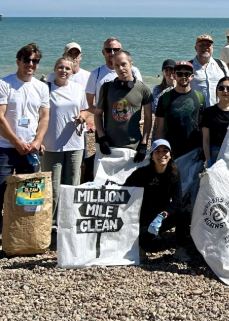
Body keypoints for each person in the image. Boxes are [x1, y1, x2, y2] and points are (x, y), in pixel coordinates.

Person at [0, 44, 50, 228]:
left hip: (30, 149)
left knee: (28, 196)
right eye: (27, 60)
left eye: (35, 61)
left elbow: (44, 117)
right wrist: (16, 141)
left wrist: (37, 141)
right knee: (2, 192)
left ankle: (23, 233)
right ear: (18, 61)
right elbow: (0, 117)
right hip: (5, 148)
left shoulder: (42, 88)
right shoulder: (4, 84)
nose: (31, 64)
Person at [124, 139, 190, 262]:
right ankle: (140, 246)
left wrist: (163, 214)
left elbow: (177, 199)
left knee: (183, 213)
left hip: (161, 218)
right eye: (157, 151)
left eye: (165, 151)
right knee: (154, 245)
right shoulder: (142, 173)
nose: (161, 155)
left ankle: (180, 249)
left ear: (170, 155)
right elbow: (124, 189)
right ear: (152, 155)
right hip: (145, 220)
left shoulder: (174, 173)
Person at [41, 57, 88, 218]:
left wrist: (82, 116)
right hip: (51, 144)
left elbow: (85, 110)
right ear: (54, 69)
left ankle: (68, 220)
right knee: (53, 186)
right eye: (60, 67)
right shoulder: (45, 88)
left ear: (73, 70)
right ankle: (51, 222)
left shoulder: (78, 88)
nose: (64, 71)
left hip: (75, 143)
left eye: (67, 68)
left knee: (72, 184)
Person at [94, 50, 152, 163]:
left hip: (134, 147)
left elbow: (149, 118)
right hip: (109, 147)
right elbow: (97, 115)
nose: (120, 68)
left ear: (131, 64)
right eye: (117, 65)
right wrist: (102, 138)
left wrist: (144, 143)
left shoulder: (144, 89)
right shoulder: (106, 88)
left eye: (123, 64)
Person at [155, 61, 204, 159]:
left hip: (194, 151)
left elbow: (202, 126)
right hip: (172, 151)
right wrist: (161, 149)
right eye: (180, 74)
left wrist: (203, 150)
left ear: (192, 76)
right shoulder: (165, 98)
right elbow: (159, 128)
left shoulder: (199, 97)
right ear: (174, 76)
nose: (183, 76)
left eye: (187, 74)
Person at [85, 38, 143, 113]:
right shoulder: (95, 74)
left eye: (116, 50)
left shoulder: (133, 71)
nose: (112, 53)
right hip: (105, 121)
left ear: (121, 51)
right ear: (103, 52)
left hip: (128, 119)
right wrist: (105, 115)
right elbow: (89, 104)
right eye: (108, 50)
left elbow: (140, 96)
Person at [200, 76, 229, 167]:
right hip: (215, 155)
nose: (225, 91)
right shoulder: (208, 112)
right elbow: (206, 140)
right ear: (217, 91)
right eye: (221, 88)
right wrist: (208, 160)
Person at [190, 34, 229, 107]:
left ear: (212, 47)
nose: (205, 47)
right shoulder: (188, 67)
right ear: (196, 48)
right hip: (196, 113)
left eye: (208, 45)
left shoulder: (221, 65)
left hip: (219, 112)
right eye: (201, 45)